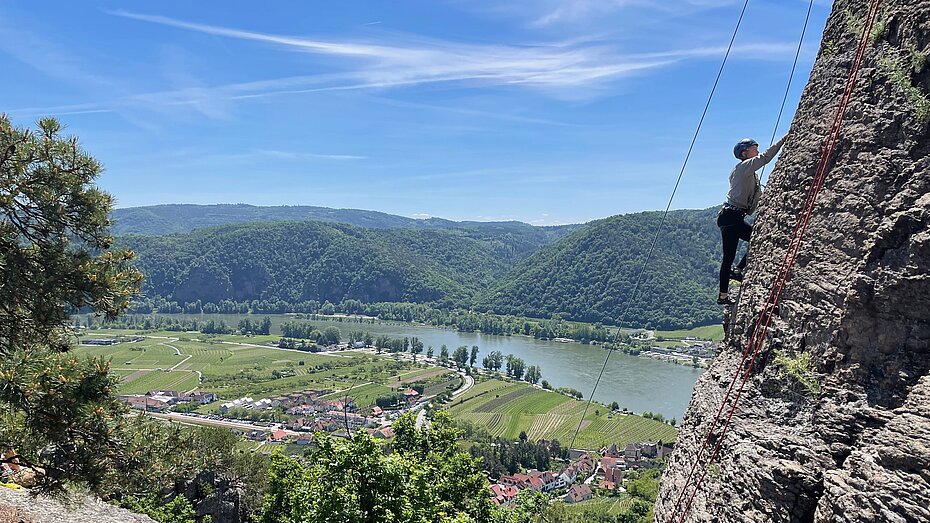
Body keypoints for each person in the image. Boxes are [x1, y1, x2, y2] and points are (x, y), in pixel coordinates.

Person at [717, 134, 788, 305]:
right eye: (753, 148)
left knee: (757, 241)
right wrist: (784, 140)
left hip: (733, 216)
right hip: (731, 216)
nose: (757, 149)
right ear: (744, 153)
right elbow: (765, 158)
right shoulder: (743, 167)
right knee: (729, 256)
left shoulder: (747, 172)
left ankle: (738, 270)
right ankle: (723, 295)